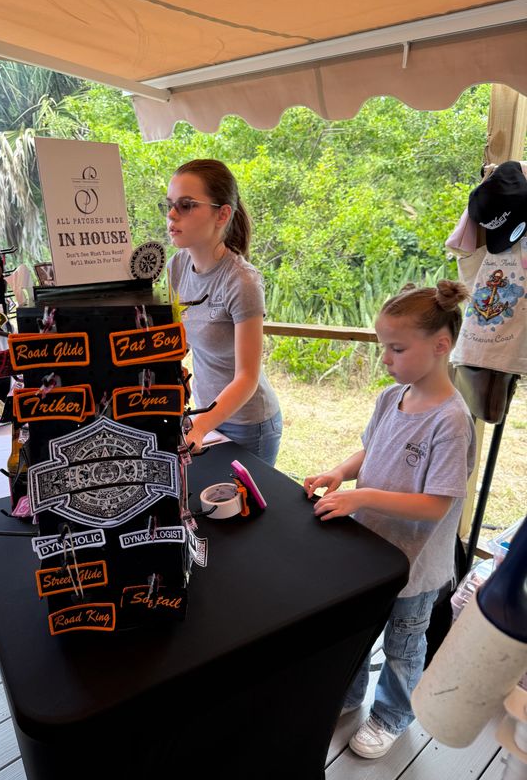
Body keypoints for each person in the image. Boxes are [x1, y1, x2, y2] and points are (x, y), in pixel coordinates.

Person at [304, 280, 476, 759]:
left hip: (415, 566)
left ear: (441, 345)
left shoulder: (450, 421)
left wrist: (362, 498)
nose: (386, 359)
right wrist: (340, 473)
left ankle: (392, 715)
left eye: (397, 349)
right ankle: (350, 693)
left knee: (403, 645)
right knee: (359, 629)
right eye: (384, 348)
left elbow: (436, 505)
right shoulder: (389, 398)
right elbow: (371, 450)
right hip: (371, 548)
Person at [163, 159, 282, 465]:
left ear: (223, 214)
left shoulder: (242, 281)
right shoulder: (177, 266)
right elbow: (178, 342)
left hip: (249, 423)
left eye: (186, 205)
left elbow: (247, 377)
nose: (172, 215)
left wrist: (201, 426)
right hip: (204, 414)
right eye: (170, 205)